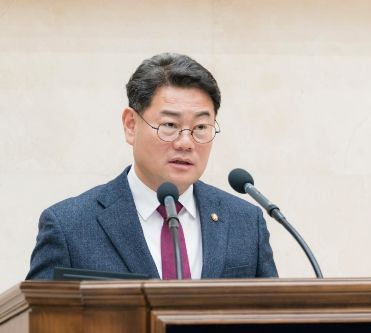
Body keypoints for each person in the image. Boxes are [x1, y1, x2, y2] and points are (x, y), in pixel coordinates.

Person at [26, 52, 277, 280]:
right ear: (131, 125)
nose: (185, 142)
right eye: (169, 125)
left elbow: (274, 314)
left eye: (201, 127)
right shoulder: (70, 226)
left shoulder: (245, 223)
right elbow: (41, 316)